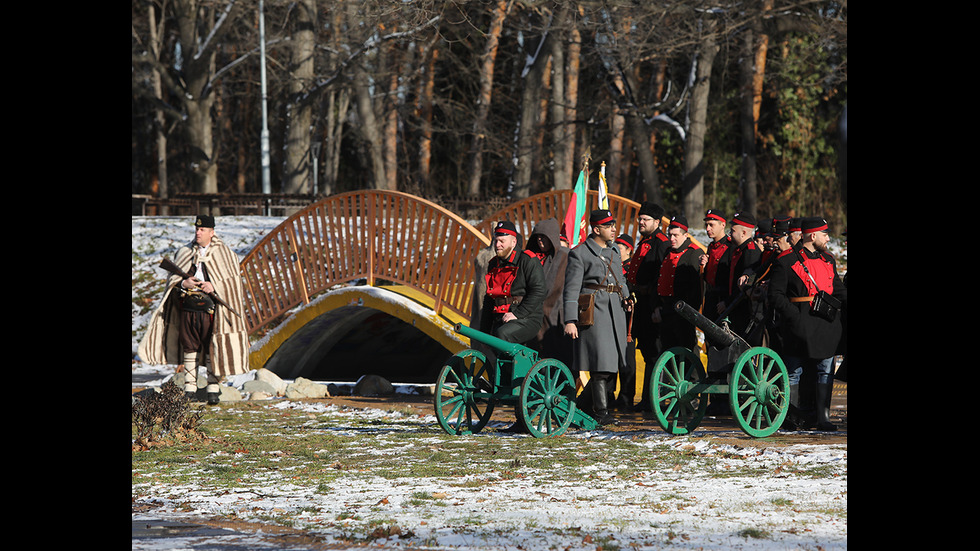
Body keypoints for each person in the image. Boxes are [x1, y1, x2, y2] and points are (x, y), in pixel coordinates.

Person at [138, 215, 251, 405]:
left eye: (202, 230)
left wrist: (214, 286)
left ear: (211, 232)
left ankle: (213, 390)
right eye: (196, 229)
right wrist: (184, 282)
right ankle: (189, 389)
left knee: (211, 346)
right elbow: (172, 282)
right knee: (189, 346)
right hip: (188, 309)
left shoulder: (226, 255)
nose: (198, 233)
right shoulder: (185, 252)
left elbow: (234, 284)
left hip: (212, 311)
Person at [768, 217, 847, 431]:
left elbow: (838, 290)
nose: (828, 239)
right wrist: (795, 316)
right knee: (793, 371)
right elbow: (775, 295)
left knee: (825, 370)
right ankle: (792, 418)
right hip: (799, 324)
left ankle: (823, 418)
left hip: (826, 324)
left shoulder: (829, 259)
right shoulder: (785, 260)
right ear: (813, 236)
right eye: (825, 234)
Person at [563, 209, 632, 426]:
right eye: (608, 226)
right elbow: (571, 289)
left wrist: (628, 297)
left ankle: (578, 408)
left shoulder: (613, 251)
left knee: (612, 364)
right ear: (596, 229)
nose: (613, 229)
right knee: (600, 365)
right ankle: (601, 413)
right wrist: (570, 320)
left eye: (613, 225)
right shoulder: (579, 253)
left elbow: (620, 279)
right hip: (594, 311)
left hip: (616, 312)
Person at [624, 202, 669, 410]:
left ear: (657, 222)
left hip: (652, 304)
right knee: (646, 351)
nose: (641, 222)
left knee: (654, 353)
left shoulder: (661, 242)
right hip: (640, 303)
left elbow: (662, 276)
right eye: (640, 219)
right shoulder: (644, 241)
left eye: (646, 219)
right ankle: (646, 400)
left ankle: (652, 400)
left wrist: (657, 305)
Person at [479, 220, 546, 348]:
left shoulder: (528, 260)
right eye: (496, 241)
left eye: (502, 241)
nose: (497, 245)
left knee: (502, 334)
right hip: (500, 317)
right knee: (492, 339)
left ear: (513, 242)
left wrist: (517, 314)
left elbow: (539, 291)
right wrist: (484, 331)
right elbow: (489, 298)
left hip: (527, 318)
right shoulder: (493, 264)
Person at [652, 215, 705, 352]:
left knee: (687, 351)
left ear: (686, 235)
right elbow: (659, 279)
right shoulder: (668, 251)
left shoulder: (693, 253)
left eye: (676, 235)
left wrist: (688, 311)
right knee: (667, 350)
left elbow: (696, 287)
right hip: (666, 308)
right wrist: (657, 306)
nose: (672, 239)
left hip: (683, 311)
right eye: (670, 235)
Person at [526, 218, 572, 369]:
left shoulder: (566, 256)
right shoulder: (531, 258)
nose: (540, 241)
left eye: (543, 237)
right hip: (532, 314)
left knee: (559, 358)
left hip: (557, 315)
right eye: (537, 237)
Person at [715, 212, 761, 338]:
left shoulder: (751, 252)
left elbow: (746, 283)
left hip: (745, 309)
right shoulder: (738, 250)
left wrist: (728, 302)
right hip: (734, 306)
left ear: (744, 233)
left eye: (733, 230)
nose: (730, 234)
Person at [613, 233, 637, 410]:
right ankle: (609, 394)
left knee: (627, 360)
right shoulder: (613, 267)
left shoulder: (630, 268)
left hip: (628, 319)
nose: (615, 250)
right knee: (611, 359)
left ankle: (626, 396)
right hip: (613, 317)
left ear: (628, 250)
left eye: (619, 247)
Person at [700, 209, 731, 326]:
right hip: (711, 297)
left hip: (722, 299)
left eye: (711, 225)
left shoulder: (730, 246)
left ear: (722, 225)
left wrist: (727, 301)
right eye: (706, 225)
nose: (707, 229)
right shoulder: (711, 246)